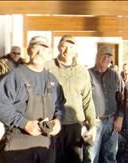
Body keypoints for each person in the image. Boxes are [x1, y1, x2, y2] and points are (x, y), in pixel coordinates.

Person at [0, 36, 64, 162]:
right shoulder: (14, 77)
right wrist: (24, 123)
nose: (40, 53)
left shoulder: (52, 79)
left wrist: (58, 120)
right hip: (18, 143)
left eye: (44, 49)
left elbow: (60, 105)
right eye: (36, 48)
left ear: (48, 54)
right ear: (29, 50)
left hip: (45, 144)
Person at [45, 34, 97, 163]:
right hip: (53, 123)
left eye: (71, 47)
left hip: (75, 126)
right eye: (64, 46)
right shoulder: (47, 67)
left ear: (76, 50)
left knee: (74, 159)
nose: (67, 51)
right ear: (58, 47)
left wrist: (93, 126)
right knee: (52, 159)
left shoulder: (82, 71)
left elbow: (87, 100)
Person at [85, 46, 124, 163]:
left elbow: (121, 98)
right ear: (97, 56)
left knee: (111, 157)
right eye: (103, 55)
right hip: (94, 123)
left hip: (112, 121)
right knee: (91, 157)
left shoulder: (115, 75)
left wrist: (120, 118)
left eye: (108, 56)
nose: (106, 58)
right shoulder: (87, 74)